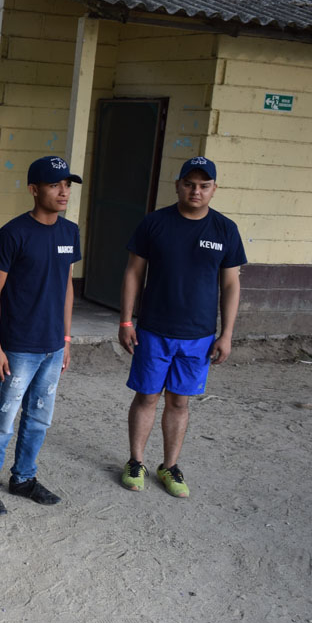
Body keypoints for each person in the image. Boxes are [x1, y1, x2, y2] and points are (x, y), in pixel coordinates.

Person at [118, 157, 245, 497]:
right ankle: (136, 462)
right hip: (153, 330)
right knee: (147, 396)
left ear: (214, 189)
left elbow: (231, 284)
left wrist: (227, 334)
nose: (196, 191)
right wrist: (126, 320)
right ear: (177, 185)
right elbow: (133, 272)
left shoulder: (225, 229)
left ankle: (169, 466)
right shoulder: (155, 223)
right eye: (189, 184)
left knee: (179, 402)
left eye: (204, 186)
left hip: (198, 336)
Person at [0, 156, 81, 517]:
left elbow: (67, 286)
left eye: (67, 185)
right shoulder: (14, 233)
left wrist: (66, 339)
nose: (63, 191)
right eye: (54, 185)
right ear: (34, 190)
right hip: (18, 347)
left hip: (52, 346)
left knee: (39, 419)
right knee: (3, 418)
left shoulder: (69, 232)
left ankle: (23, 478)